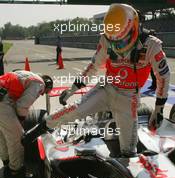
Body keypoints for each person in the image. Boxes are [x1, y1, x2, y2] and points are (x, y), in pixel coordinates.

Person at [23, 4, 170, 157]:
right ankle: (39, 129)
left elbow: (164, 77)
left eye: (120, 41)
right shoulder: (106, 39)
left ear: (133, 28)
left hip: (129, 98)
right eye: (113, 41)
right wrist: (71, 90)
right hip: (106, 89)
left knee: (129, 151)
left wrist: (159, 110)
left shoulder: (152, 45)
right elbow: (93, 67)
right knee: (73, 111)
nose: (117, 45)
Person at [0, 70, 53, 178]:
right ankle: (17, 173)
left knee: (3, 135)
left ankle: (7, 166)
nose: (41, 94)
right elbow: (22, 105)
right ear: (46, 84)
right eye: (44, 92)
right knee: (18, 138)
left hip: (2, 97)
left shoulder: (27, 75)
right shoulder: (39, 83)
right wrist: (21, 120)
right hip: (2, 102)